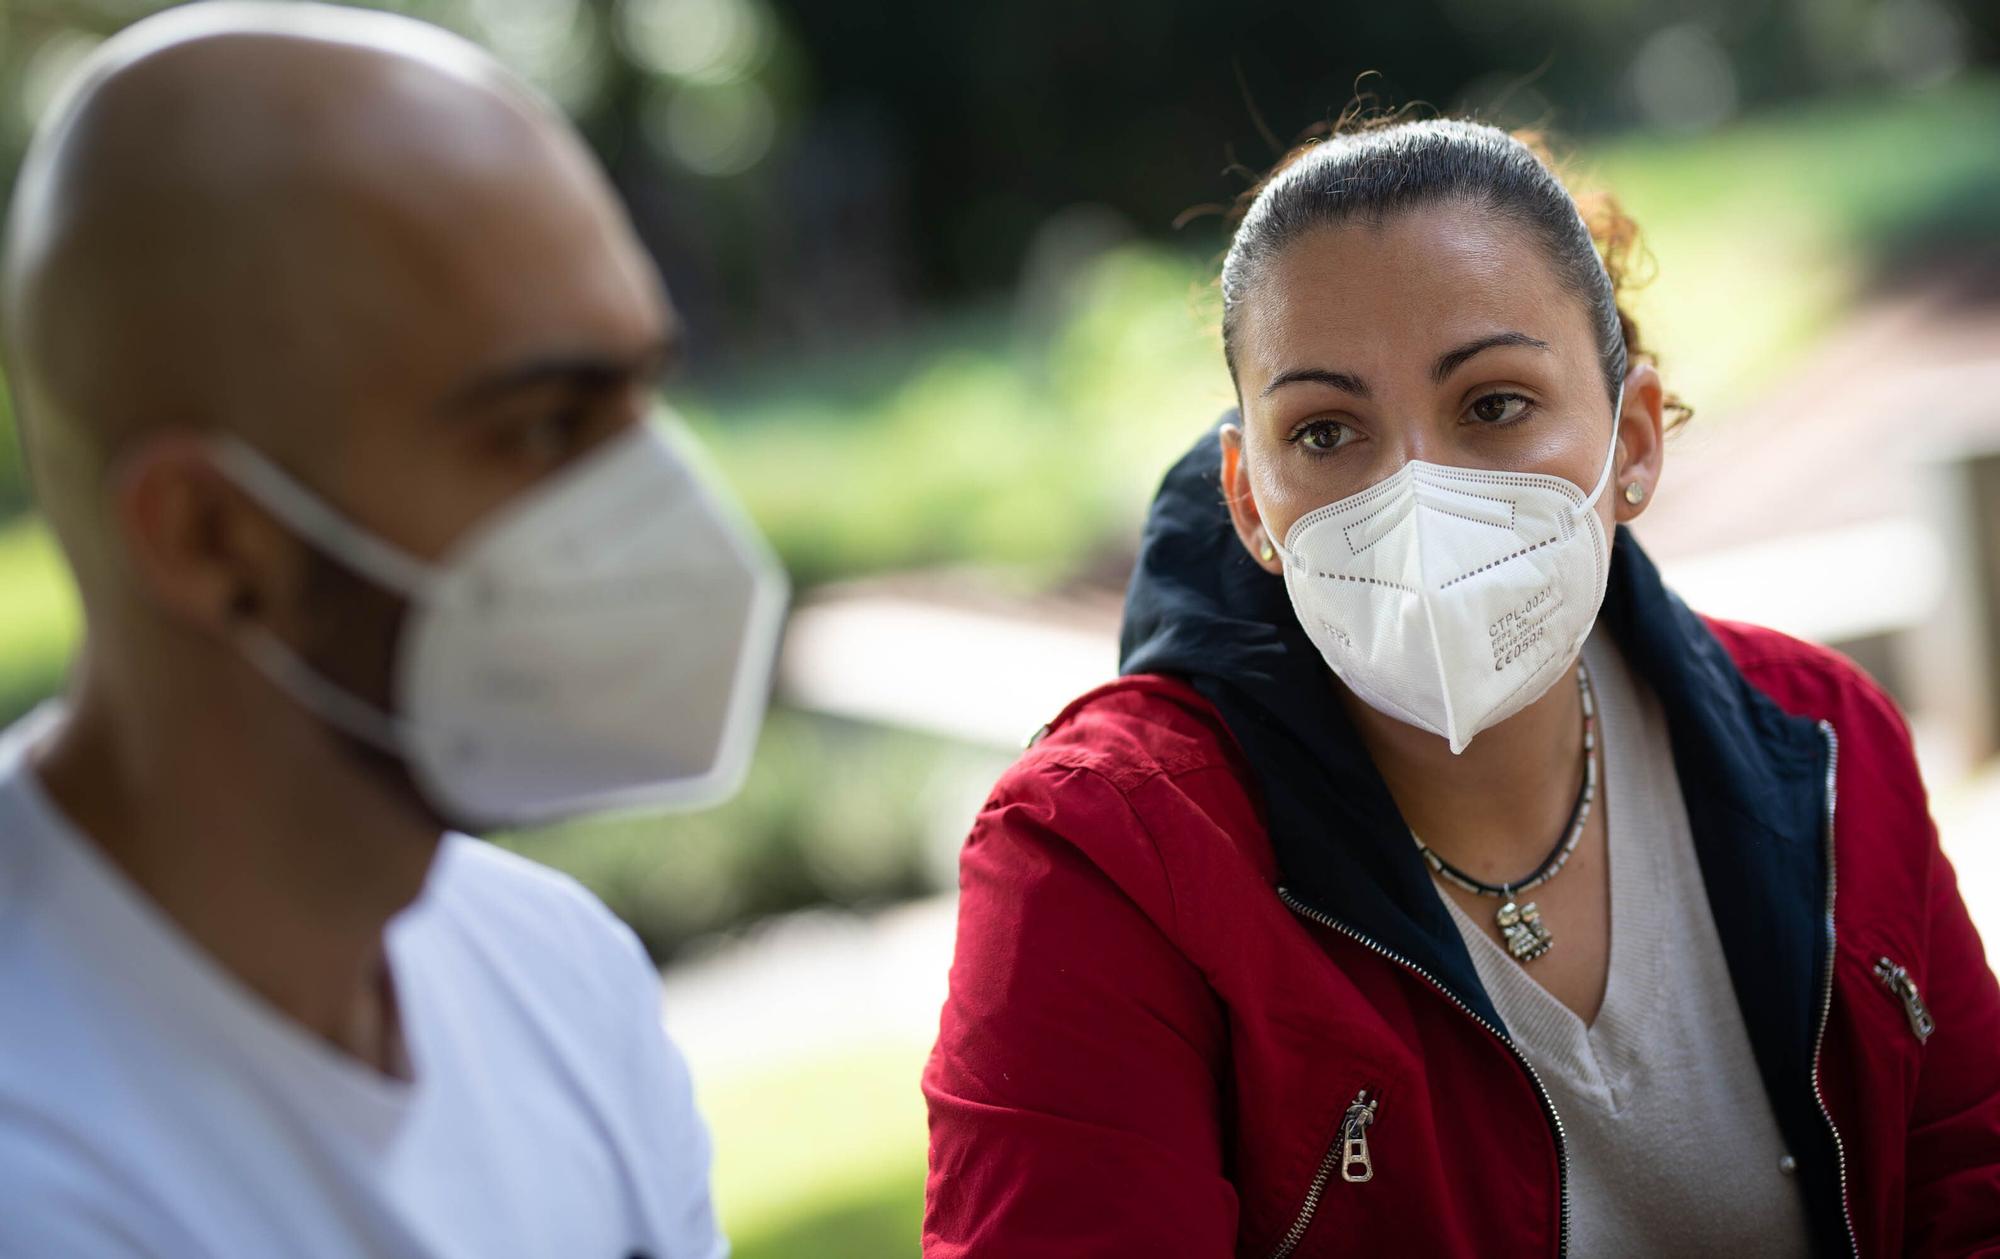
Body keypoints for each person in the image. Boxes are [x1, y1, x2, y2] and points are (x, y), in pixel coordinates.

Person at [923, 115, 2000, 1257]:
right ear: (1248, 500)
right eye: (1327, 430)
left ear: (1631, 438)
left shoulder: (1825, 743)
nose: (1415, 495)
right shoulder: (1105, 852)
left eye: (1491, 404)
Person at [0, 4, 785, 1256]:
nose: (664, 506)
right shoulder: (39, 1169)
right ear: (211, 536)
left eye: (644, 396)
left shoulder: (556, 974)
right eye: (542, 426)